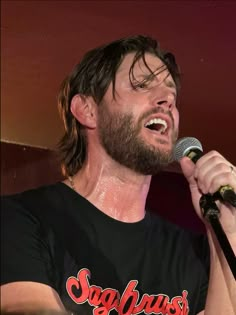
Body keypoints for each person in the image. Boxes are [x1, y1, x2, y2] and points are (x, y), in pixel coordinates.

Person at [1, 35, 236, 315]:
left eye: (171, 93)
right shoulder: (19, 219)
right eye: (141, 84)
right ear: (88, 110)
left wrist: (227, 228)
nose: (168, 100)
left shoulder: (192, 254)